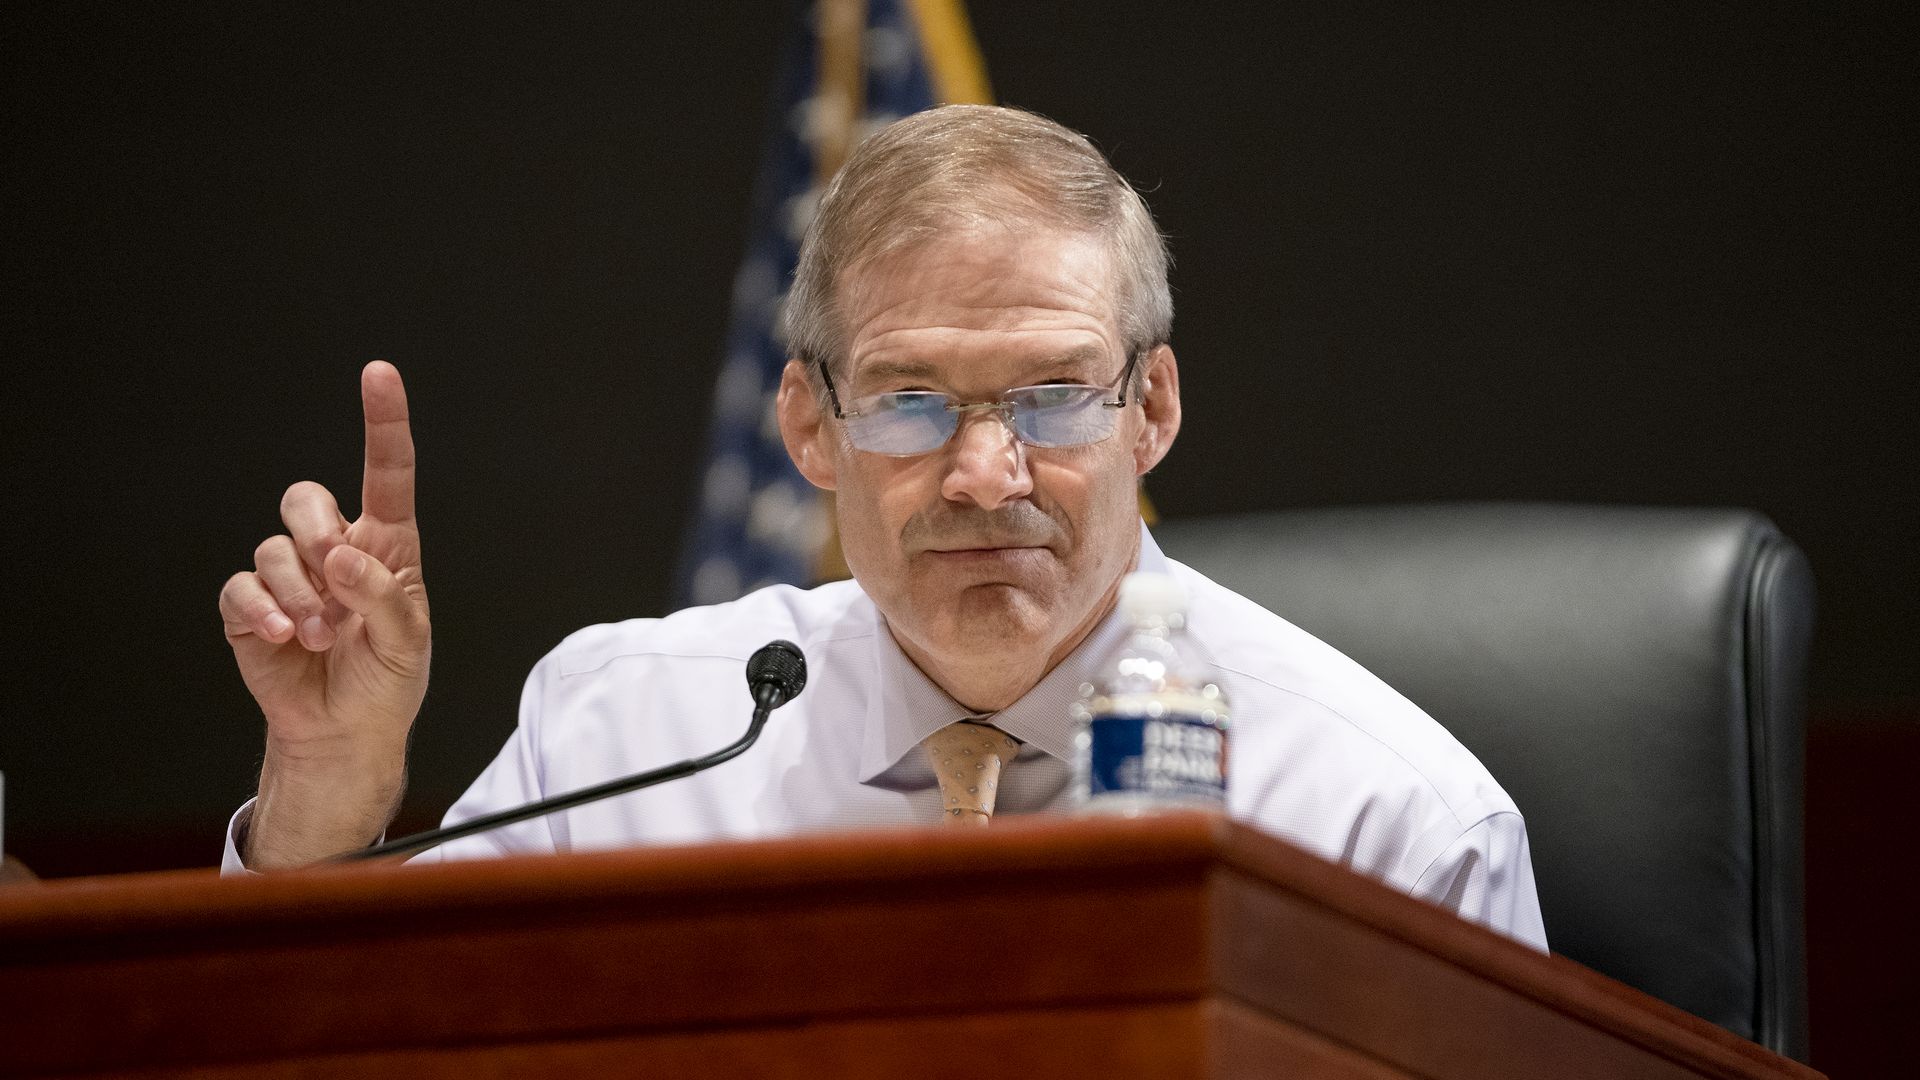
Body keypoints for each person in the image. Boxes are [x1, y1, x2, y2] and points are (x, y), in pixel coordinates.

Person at [217, 105, 1547, 949]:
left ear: (1151, 408)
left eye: (1052, 398)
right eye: (912, 402)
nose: (983, 472)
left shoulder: (1392, 823)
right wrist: (324, 799)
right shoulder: (616, 736)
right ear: (808, 427)